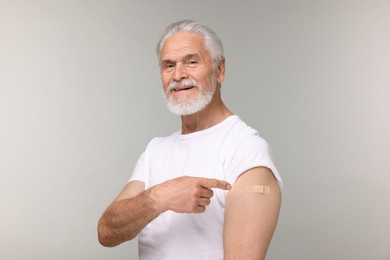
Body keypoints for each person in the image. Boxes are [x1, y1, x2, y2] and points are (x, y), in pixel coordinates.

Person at [98, 20, 282, 260]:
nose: (178, 75)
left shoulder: (245, 149)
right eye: (168, 65)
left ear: (220, 69)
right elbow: (107, 232)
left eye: (192, 62)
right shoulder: (156, 150)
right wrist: (161, 197)